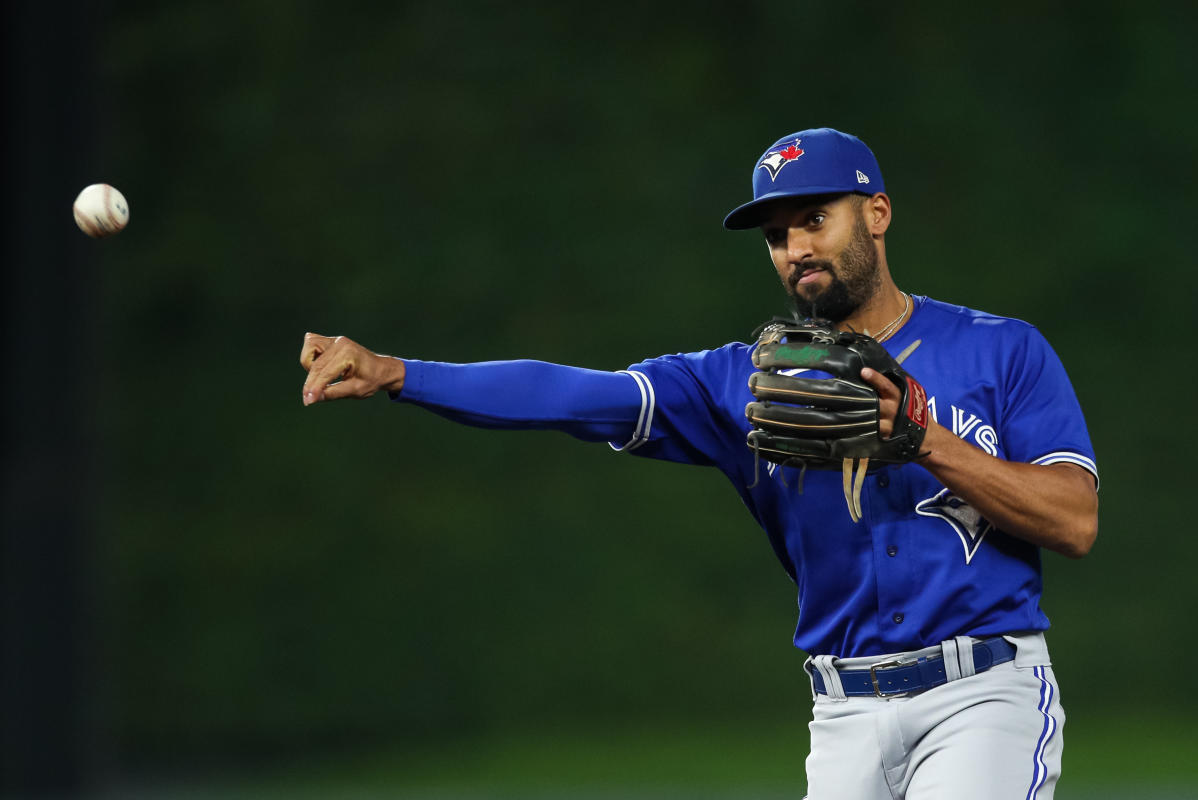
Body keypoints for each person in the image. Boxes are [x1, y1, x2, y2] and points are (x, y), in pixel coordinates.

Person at [299, 127, 1098, 799]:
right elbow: (575, 396)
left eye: (815, 218)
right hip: (843, 715)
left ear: (878, 213)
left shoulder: (1002, 350)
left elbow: (1074, 519)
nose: (796, 249)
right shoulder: (738, 383)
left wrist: (924, 438)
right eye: (778, 235)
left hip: (981, 695)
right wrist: (401, 372)